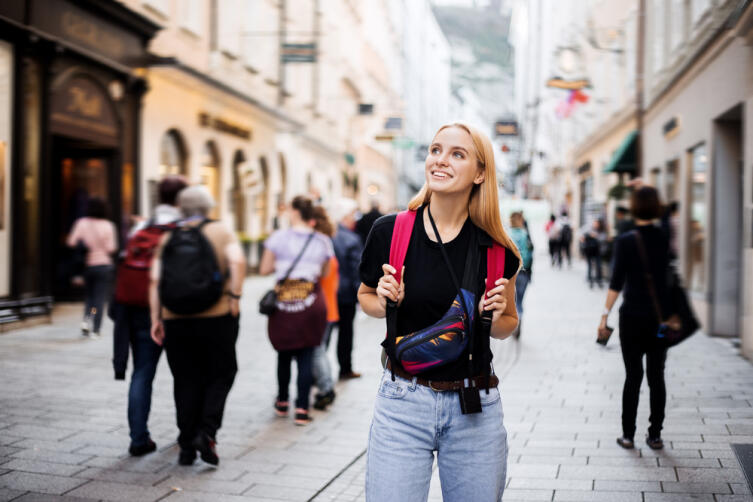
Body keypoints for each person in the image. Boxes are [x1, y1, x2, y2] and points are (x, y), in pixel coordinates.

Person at [358, 122, 521, 502]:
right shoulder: (389, 232)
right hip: (402, 403)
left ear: (480, 173)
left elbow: (508, 324)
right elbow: (365, 297)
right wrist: (382, 300)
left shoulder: (497, 250)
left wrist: (496, 317)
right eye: (435, 150)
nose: (440, 160)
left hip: (474, 409)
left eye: (457, 154)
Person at [149, 185, 246, 466]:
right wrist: (234, 296)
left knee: (185, 378)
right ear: (208, 206)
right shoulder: (221, 231)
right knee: (222, 372)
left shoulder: (169, 237)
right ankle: (207, 431)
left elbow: (155, 280)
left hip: (175, 317)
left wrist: (156, 317)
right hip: (217, 316)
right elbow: (238, 261)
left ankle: (186, 444)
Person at [112, 175, 187, 457]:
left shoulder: (142, 227)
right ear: (181, 199)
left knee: (142, 372)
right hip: (175, 310)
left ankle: (138, 439)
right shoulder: (183, 229)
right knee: (185, 375)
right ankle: (186, 433)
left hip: (137, 310)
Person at [599, 186, 671, 451]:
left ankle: (628, 435)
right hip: (659, 319)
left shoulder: (626, 241)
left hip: (631, 318)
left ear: (633, 208)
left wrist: (604, 315)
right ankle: (655, 435)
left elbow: (616, 282)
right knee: (657, 377)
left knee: (633, 376)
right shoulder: (664, 237)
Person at [259, 195, 334, 425]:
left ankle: (282, 401)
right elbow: (326, 272)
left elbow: (264, 269)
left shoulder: (279, 238)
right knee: (307, 353)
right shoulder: (322, 240)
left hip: (284, 302)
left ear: (293, 212)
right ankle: (302, 409)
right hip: (311, 301)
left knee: (284, 352)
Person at [67, 197, 118, 337]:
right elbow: (111, 248)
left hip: (87, 266)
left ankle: (86, 324)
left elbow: (71, 242)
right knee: (98, 300)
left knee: (89, 298)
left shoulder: (81, 223)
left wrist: (85, 244)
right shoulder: (108, 225)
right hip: (104, 266)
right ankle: (96, 329)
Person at [331, 198, 364, 380]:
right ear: (344, 216)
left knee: (324, 335)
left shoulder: (326, 235)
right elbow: (356, 270)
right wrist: (361, 295)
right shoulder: (351, 238)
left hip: (329, 292)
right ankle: (345, 368)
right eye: (353, 214)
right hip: (346, 295)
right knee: (345, 333)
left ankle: (315, 372)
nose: (355, 218)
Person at [310, 206, 338, 411]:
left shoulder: (318, 246)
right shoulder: (328, 243)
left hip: (321, 307)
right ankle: (322, 384)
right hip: (330, 304)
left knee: (317, 350)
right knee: (319, 349)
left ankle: (326, 388)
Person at [508, 211, 532, 339]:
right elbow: (529, 255)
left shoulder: (507, 234)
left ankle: (514, 323)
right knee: (520, 301)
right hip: (523, 272)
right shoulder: (524, 234)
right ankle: (519, 319)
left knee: (512, 300)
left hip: (511, 274)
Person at [581, 219, 607, 288]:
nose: (595, 224)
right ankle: (590, 279)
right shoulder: (588, 229)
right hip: (589, 251)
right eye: (594, 223)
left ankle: (599, 280)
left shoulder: (601, 231)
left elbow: (604, 239)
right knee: (590, 266)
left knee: (598, 266)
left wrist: (596, 236)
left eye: (597, 223)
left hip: (597, 251)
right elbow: (581, 236)